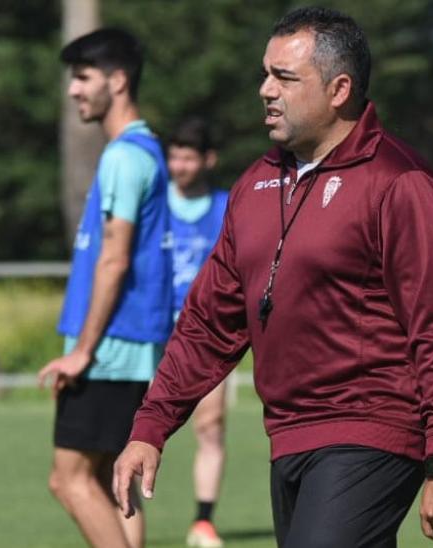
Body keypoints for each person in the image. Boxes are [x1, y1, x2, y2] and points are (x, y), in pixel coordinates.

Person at [112, 7, 433, 546]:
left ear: (339, 89)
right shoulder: (256, 185)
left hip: (372, 429)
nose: (265, 89)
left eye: (284, 77)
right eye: (265, 73)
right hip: (288, 437)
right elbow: (209, 323)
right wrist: (151, 426)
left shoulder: (400, 183)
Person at [37, 28, 173, 548]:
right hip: (132, 345)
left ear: (117, 81)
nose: (73, 90)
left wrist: (83, 351)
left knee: (68, 479)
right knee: (109, 478)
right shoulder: (144, 150)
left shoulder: (123, 157)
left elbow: (114, 260)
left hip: (112, 349)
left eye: (82, 77)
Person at [165, 118, 230, 548]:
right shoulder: (154, 205)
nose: (179, 165)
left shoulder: (227, 206)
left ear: (208, 160)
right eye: (174, 156)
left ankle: (203, 520)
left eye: (189, 157)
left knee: (210, 424)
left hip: (206, 334)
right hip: (152, 333)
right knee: (128, 425)